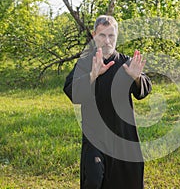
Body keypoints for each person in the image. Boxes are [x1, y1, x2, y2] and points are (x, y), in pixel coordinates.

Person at [63, 15, 152, 189]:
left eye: (111, 36)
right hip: (95, 137)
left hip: (123, 136)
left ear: (117, 36)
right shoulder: (85, 63)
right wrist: (92, 75)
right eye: (102, 36)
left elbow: (144, 90)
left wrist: (136, 78)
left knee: (129, 181)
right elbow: (71, 91)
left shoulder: (126, 63)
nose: (107, 41)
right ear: (95, 35)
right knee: (93, 181)